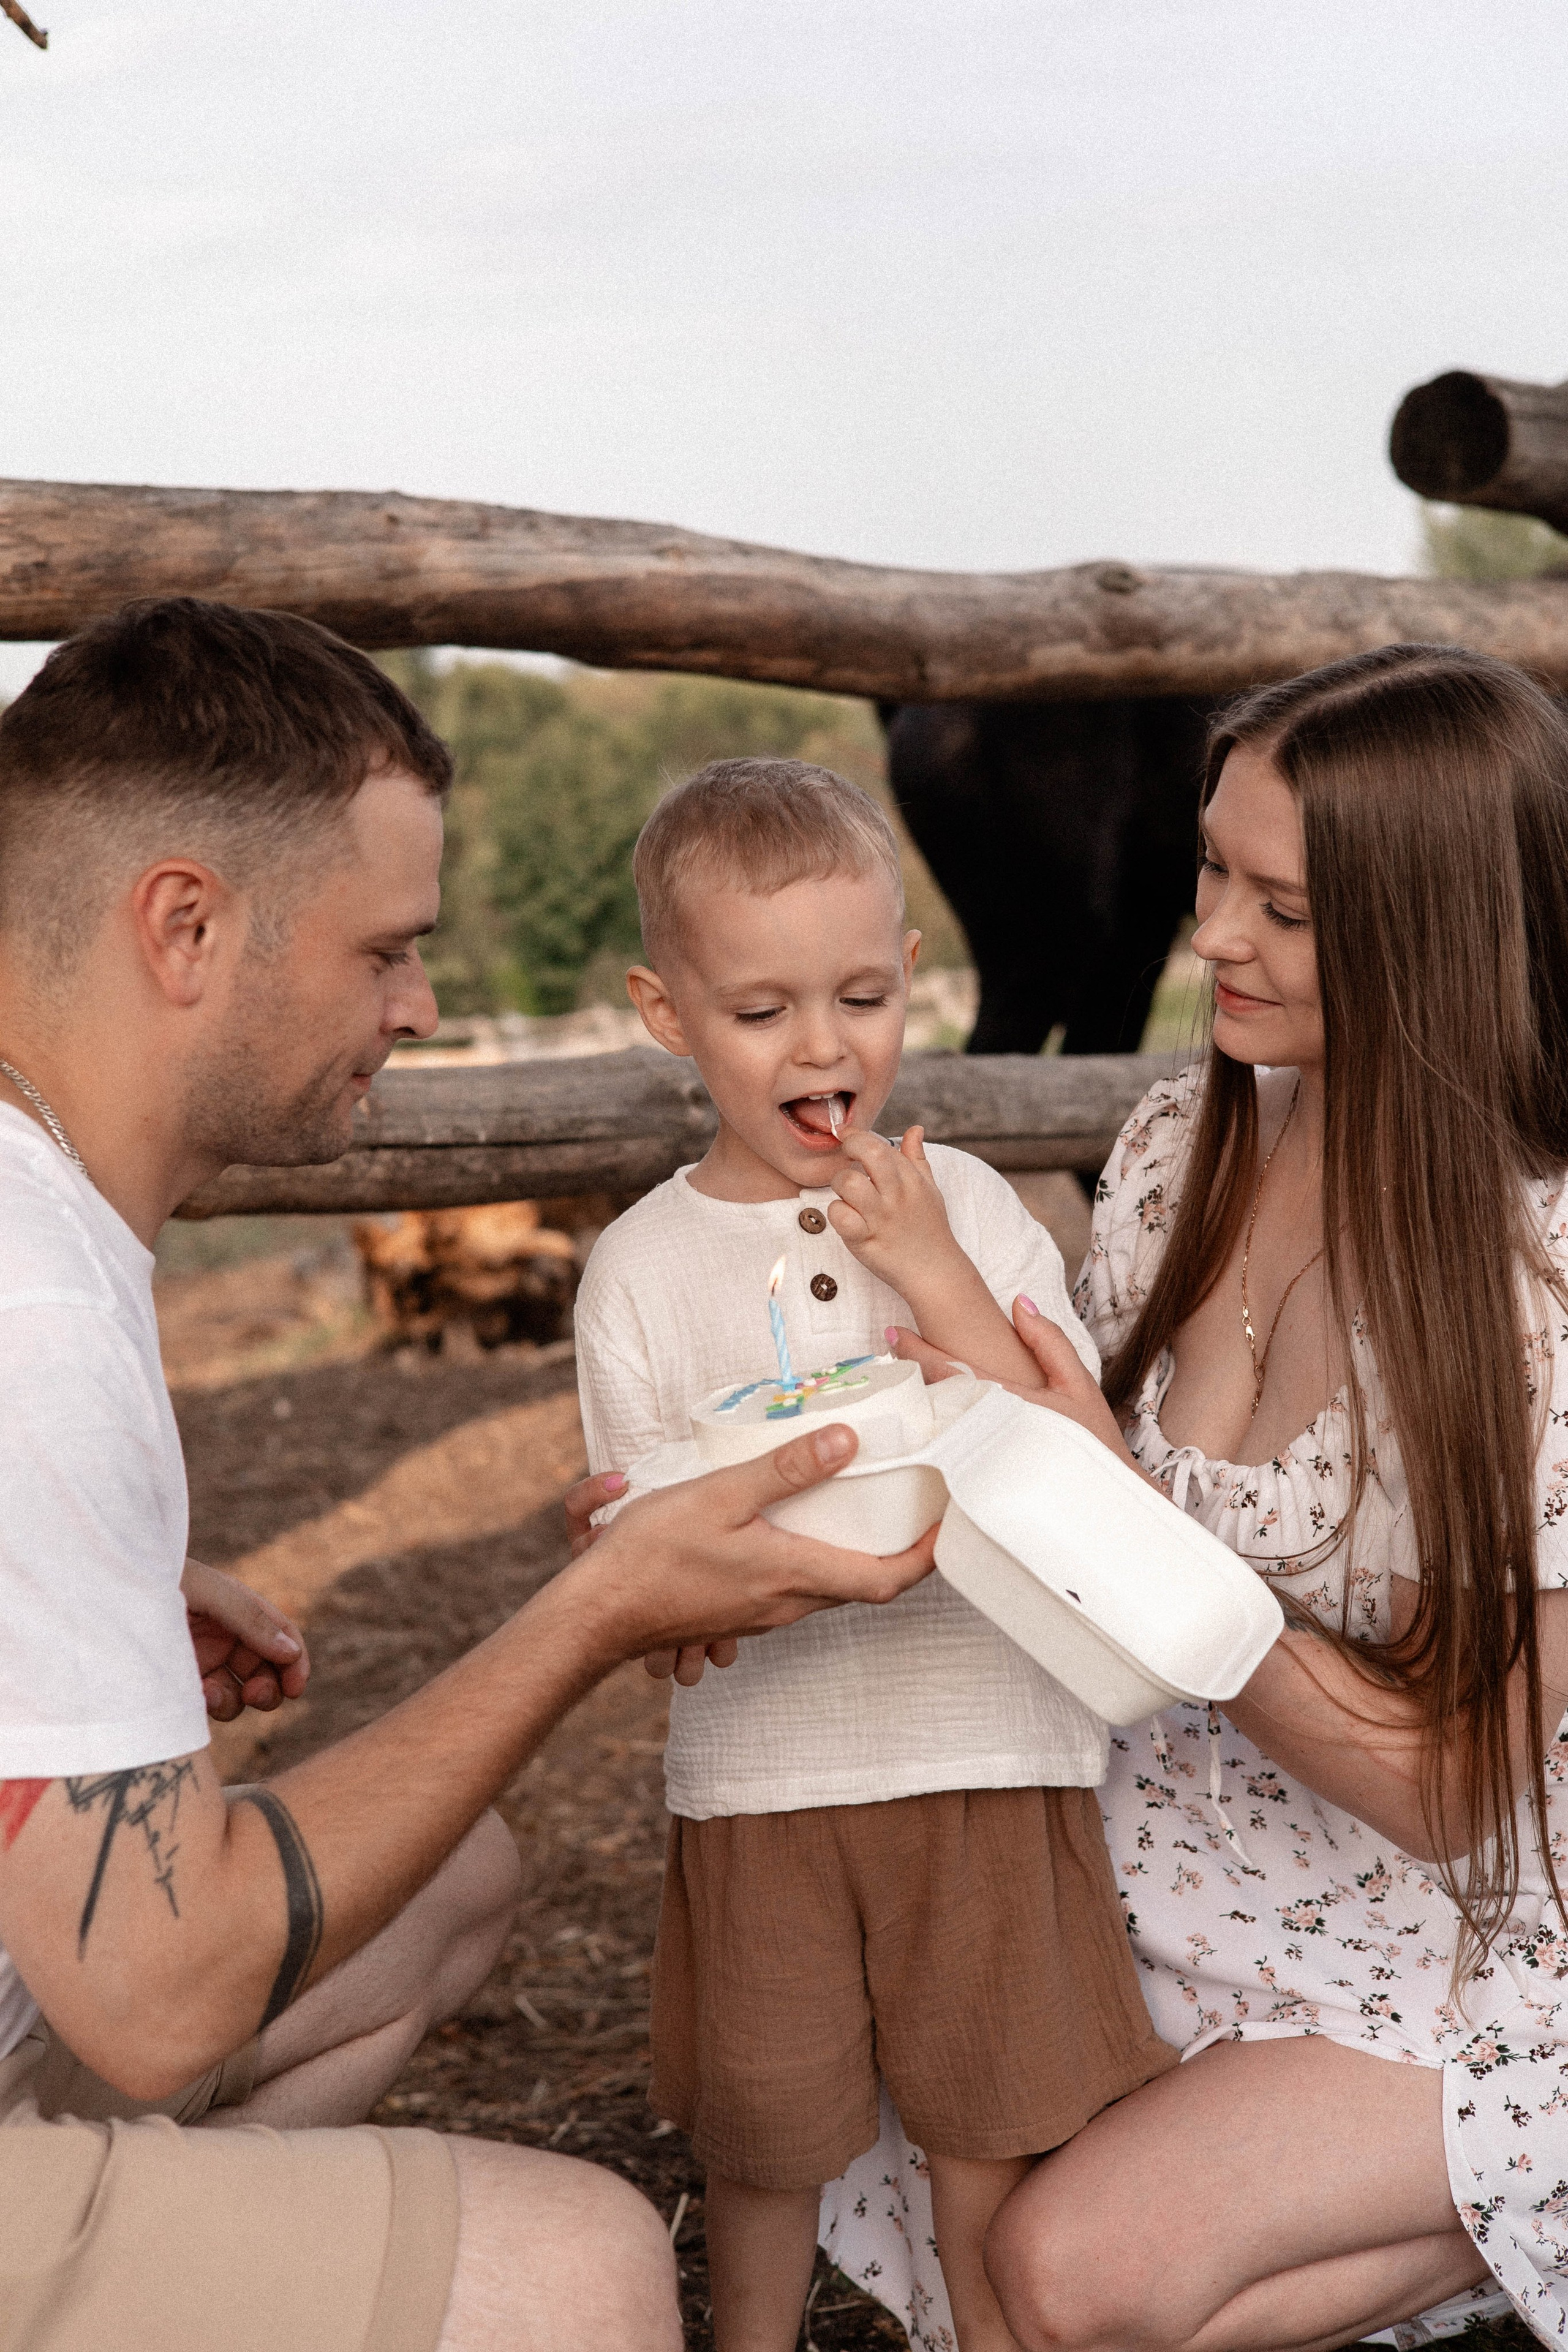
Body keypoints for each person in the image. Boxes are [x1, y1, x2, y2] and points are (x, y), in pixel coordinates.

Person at [0, 600, 942, 2352]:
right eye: (385, 952)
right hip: (82, 2003)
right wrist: (593, 1614)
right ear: (185, 926)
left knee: (454, 1883)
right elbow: (153, 1997)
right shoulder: (34, 1305)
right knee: (578, 2274)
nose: (423, 1006)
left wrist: (107, 1607)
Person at [808, 642, 1568, 2351]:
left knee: (1074, 2275)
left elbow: (1450, 1796)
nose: (1209, 931)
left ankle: (1517, 2181)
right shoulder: (1177, 1146)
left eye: (1280, 906)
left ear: (1437, 925)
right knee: (904, 2103)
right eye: (1212, 866)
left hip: (1455, 1914)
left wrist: (1126, 1530)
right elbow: (1052, 1477)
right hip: (1155, 1827)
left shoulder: (1548, 1284)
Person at [571, 757, 1176, 2352]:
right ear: (667, 1012)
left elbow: (1068, 1465)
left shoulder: (971, 1206)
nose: (823, 1046)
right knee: (763, 2144)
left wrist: (925, 1267)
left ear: (915, 977)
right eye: (762, 1010)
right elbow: (653, 1552)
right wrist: (650, 1577)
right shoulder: (638, 1270)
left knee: (992, 2137)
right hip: (767, 1779)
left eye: (858, 995)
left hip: (988, 1748)